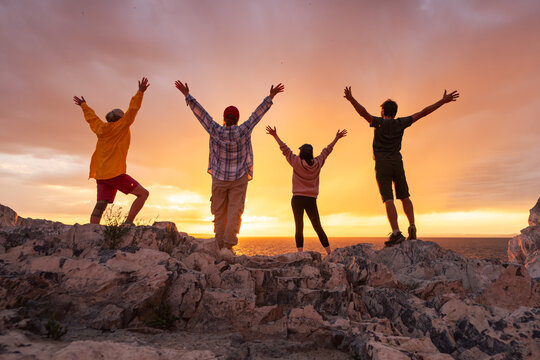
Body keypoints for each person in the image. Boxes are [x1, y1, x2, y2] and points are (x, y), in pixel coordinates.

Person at [175, 80, 284, 251]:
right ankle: (228, 246)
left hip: (219, 177)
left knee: (219, 212)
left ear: (224, 119)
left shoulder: (215, 130)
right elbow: (257, 115)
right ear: (237, 119)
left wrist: (187, 95)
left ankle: (219, 244)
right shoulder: (243, 131)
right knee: (235, 211)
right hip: (239, 178)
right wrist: (270, 97)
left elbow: (201, 115)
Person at [344, 87, 459, 246]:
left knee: (388, 199)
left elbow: (363, 113)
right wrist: (442, 101)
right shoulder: (401, 123)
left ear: (383, 111)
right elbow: (423, 112)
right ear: (395, 112)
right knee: (405, 196)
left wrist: (351, 99)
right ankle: (412, 227)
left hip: (382, 164)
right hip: (397, 163)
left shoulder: (379, 123)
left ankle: (396, 233)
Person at [73, 77, 150, 225]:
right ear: (121, 119)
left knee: (100, 204)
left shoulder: (101, 128)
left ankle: (92, 231)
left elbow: (92, 118)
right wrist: (140, 92)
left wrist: (83, 105)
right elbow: (133, 110)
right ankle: (128, 224)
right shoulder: (122, 126)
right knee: (143, 194)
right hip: (115, 173)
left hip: (101, 173)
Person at [266, 126, 347, 254]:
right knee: (317, 227)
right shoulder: (318, 163)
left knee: (299, 226)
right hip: (311, 200)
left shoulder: (296, 162)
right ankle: (329, 253)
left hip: (297, 199)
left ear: (301, 153)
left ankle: (300, 253)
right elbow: (327, 150)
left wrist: (275, 135)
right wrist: (337, 138)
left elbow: (285, 149)